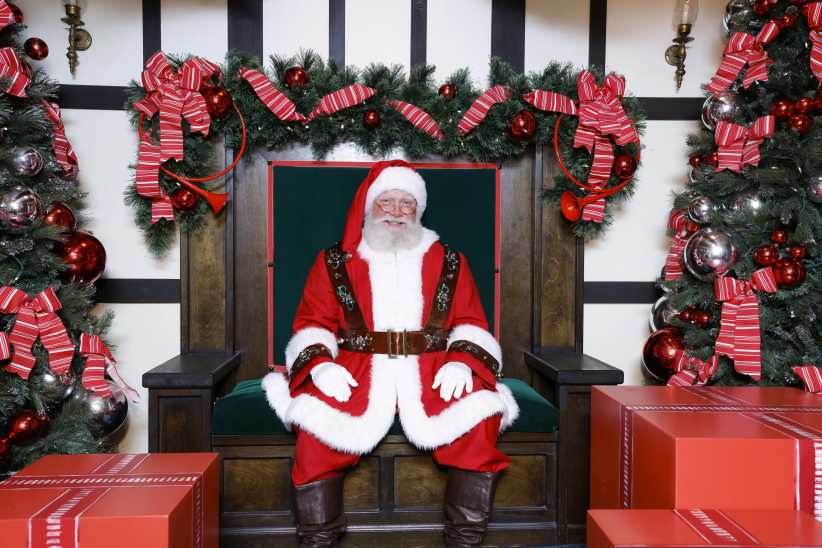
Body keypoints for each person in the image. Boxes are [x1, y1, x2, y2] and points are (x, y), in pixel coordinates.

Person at [263, 159, 519, 547]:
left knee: (478, 417)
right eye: (387, 201)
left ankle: (465, 538)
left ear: (418, 209)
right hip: (356, 368)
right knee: (315, 428)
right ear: (370, 206)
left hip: (433, 368)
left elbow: (471, 321)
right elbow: (313, 322)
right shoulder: (334, 261)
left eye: (406, 203)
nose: (397, 211)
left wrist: (463, 363)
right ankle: (319, 539)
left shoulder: (450, 260)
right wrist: (321, 366)